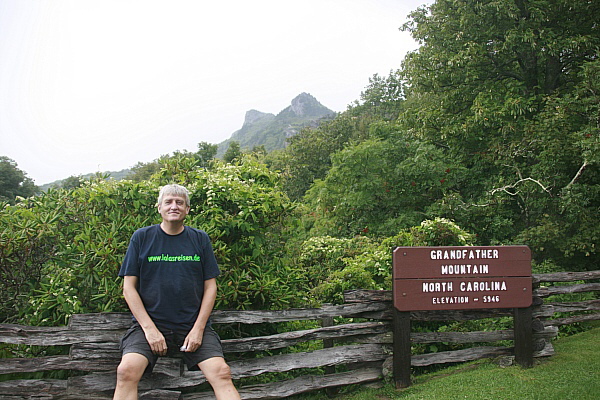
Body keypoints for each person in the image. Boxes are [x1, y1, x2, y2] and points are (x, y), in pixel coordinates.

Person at [113, 184, 240, 400]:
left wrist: (198, 329)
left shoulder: (200, 239)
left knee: (221, 373)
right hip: (149, 326)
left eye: (180, 202)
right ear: (159, 207)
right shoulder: (142, 238)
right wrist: (149, 330)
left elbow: (211, 287)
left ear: (187, 209)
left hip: (191, 325)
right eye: (169, 202)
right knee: (126, 371)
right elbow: (128, 288)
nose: (174, 206)